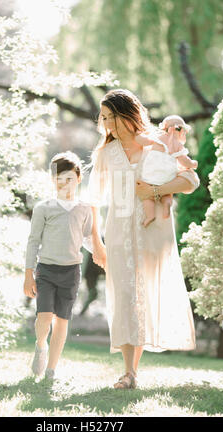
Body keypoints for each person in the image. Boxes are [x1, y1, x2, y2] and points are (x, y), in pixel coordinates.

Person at [86, 89, 199, 389]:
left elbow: (191, 180)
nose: (107, 123)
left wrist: (154, 192)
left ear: (127, 114)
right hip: (119, 234)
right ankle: (129, 372)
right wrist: (97, 243)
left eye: (111, 117)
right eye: (104, 118)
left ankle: (131, 371)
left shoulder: (155, 145)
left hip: (153, 234)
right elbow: (93, 201)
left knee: (142, 295)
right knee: (124, 297)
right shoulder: (105, 153)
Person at [24, 151, 93, 381]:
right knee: (44, 317)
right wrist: (28, 274)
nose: (64, 184)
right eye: (58, 179)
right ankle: (41, 345)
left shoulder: (85, 208)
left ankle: (51, 370)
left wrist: (105, 256)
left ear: (78, 178)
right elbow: (33, 241)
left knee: (62, 320)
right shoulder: (44, 208)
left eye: (69, 179)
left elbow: (87, 238)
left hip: (71, 272)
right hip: (46, 270)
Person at [134, 115, 198, 227]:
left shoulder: (158, 137)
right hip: (167, 176)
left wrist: (136, 135)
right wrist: (193, 164)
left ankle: (150, 216)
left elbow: (143, 141)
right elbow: (184, 161)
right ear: (179, 131)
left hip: (151, 174)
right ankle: (167, 205)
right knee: (167, 194)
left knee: (146, 197)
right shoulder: (177, 145)